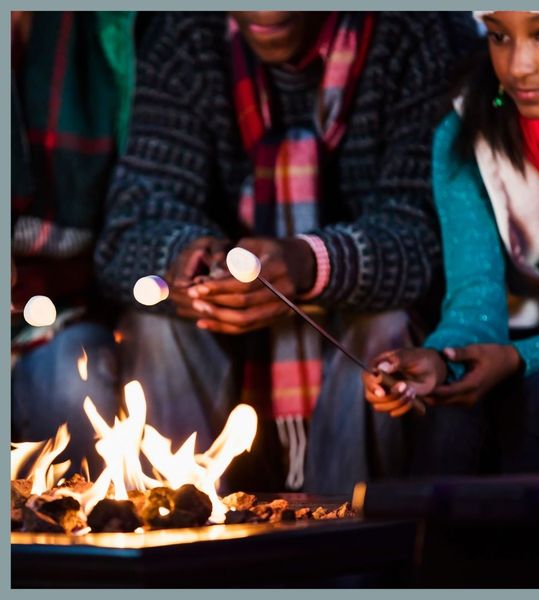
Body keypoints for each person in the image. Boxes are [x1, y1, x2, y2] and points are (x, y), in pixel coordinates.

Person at [95, 11, 478, 494]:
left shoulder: (418, 31)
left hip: (356, 325)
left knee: (384, 331)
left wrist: (306, 263)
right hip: (231, 346)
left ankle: (342, 548)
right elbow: (129, 228)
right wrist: (189, 262)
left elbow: (429, 234)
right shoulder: (189, 33)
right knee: (155, 327)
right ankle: (184, 530)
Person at [363, 10, 539, 475]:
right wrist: (443, 361)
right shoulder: (472, 129)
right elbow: (475, 294)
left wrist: (522, 357)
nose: (518, 65)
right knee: (451, 413)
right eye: (500, 36)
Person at [11, 11, 136, 477]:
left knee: (75, 381)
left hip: (55, 313)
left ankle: (74, 537)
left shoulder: (103, 31)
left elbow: (141, 206)